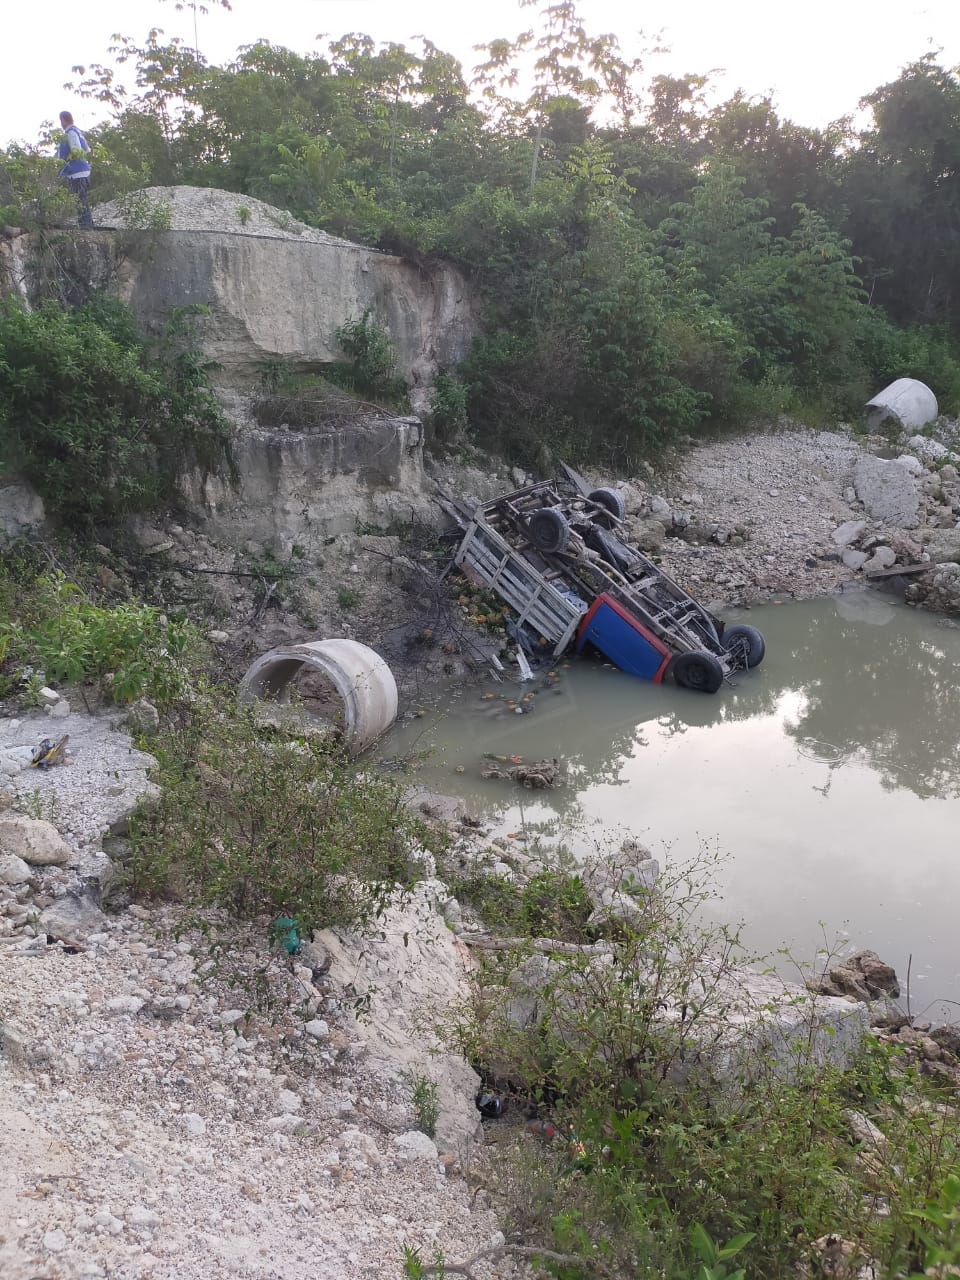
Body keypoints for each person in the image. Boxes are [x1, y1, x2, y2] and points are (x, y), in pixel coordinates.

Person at [57, 111, 94, 229]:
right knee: (81, 199)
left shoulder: (70, 132)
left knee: (80, 200)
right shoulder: (77, 131)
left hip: (77, 172)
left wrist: (66, 161)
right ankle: (86, 224)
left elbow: (76, 150)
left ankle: (85, 225)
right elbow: (87, 150)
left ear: (63, 120)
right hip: (82, 170)